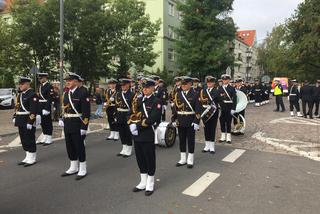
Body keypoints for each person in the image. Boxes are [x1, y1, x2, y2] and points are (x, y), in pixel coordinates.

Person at [129, 78, 162, 196]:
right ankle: (143, 181)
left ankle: (150, 182)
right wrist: (131, 123)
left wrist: (136, 126)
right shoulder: (138, 100)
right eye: (143, 87)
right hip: (137, 134)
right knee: (140, 158)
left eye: (147, 87)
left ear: (153, 88)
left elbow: (152, 118)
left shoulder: (156, 101)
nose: (145, 89)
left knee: (149, 158)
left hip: (147, 133)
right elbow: (131, 112)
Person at [59, 72, 91, 180]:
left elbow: (86, 112)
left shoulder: (82, 92)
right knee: (70, 146)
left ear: (76, 82)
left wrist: (84, 127)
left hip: (77, 123)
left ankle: (82, 168)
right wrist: (61, 118)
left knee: (79, 146)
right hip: (67, 122)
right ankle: (73, 166)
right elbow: (63, 107)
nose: (67, 82)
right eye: (67, 81)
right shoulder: (65, 93)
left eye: (70, 80)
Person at [171, 76, 201, 168]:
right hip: (180, 120)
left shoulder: (195, 94)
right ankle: (183, 159)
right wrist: (173, 119)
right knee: (182, 140)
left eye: (185, 84)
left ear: (190, 84)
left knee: (190, 140)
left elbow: (198, 109)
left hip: (190, 120)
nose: (183, 86)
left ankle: (190, 159)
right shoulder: (178, 94)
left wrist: (196, 121)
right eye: (182, 84)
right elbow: (175, 109)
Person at [13, 76, 39, 167]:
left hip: (27, 119)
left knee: (30, 138)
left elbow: (34, 110)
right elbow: (17, 106)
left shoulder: (32, 94)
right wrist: (15, 116)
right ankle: (27, 156)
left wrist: (30, 122)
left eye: (22, 84)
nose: (20, 86)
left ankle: (32, 157)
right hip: (20, 119)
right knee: (23, 139)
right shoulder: (21, 94)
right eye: (19, 84)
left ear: (27, 84)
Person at [115, 78, 135, 157]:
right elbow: (116, 105)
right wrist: (115, 115)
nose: (122, 87)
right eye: (122, 85)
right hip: (120, 115)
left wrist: (130, 117)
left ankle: (129, 148)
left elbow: (133, 107)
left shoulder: (132, 94)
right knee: (121, 132)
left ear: (128, 85)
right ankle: (124, 148)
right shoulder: (118, 94)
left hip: (127, 115)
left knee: (127, 133)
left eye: (124, 85)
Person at [199, 76, 219, 154]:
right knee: (206, 128)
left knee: (212, 128)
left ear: (213, 83)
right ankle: (207, 146)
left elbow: (215, 99)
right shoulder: (203, 90)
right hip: (205, 111)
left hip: (213, 112)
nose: (209, 84)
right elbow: (201, 101)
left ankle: (212, 146)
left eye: (210, 83)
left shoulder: (216, 90)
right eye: (208, 83)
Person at [36, 72, 54, 146]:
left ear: (45, 78)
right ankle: (45, 136)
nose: (40, 80)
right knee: (42, 122)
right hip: (40, 106)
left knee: (47, 122)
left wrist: (46, 108)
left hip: (46, 106)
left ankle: (49, 137)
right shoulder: (40, 86)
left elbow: (50, 98)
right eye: (39, 78)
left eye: (41, 78)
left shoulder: (49, 86)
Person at [218, 74, 237, 144]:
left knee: (228, 122)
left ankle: (228, 137)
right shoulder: (220, 88)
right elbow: (217, 98)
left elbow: (234, 99)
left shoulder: (232, 88)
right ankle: (223, 136)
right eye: (223, 79)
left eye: (226, 79)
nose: (225, 81)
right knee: (222, 122)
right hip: (222, 108)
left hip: (229, 107)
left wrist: (233, 108)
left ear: (229, 80)